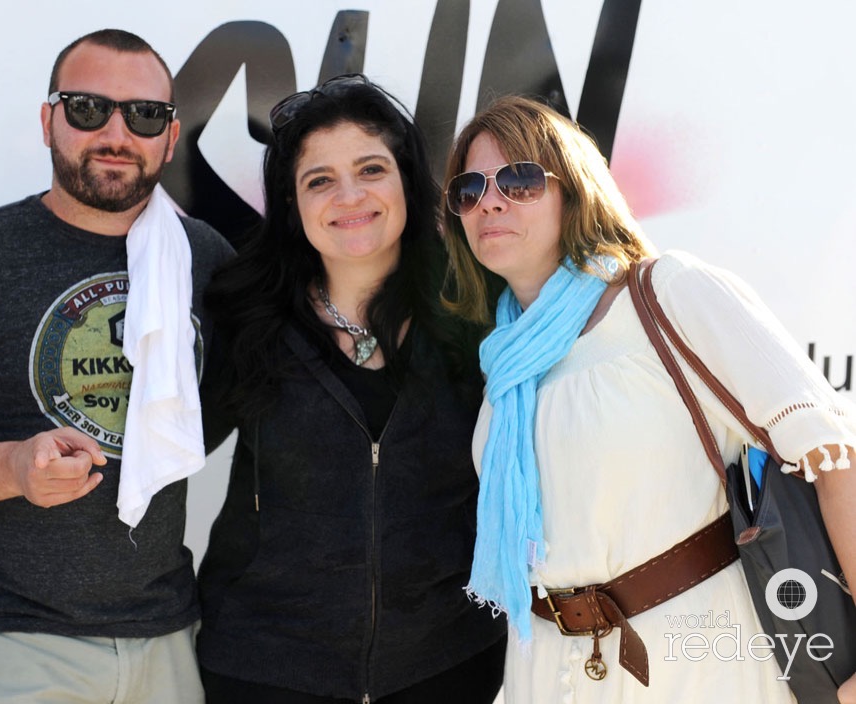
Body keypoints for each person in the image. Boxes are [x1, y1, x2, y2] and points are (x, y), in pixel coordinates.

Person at [440, 94, 856, 703]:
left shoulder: (667, 294)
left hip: (702, 670)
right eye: (469, 189)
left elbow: (834, 458)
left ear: (575, 191)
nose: (490, 200)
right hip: (549, 677)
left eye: (521, 178)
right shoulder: (506, 366)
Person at [0, 29, 233, 703]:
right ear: (48, 120)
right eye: (89, 108)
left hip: (170, 637)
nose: (117, 133)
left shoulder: (205, 262)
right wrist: (11, 468)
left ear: (170, 138)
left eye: (144, 115)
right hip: (16, 642)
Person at [195, 74, 507, 703]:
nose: (349, 195)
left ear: (407, 184)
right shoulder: (246, 317)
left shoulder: (478, 310)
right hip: (265, 670)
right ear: (291, 204)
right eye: (319, 180)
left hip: (448, 661)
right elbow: (161, 451)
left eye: (371, 169)